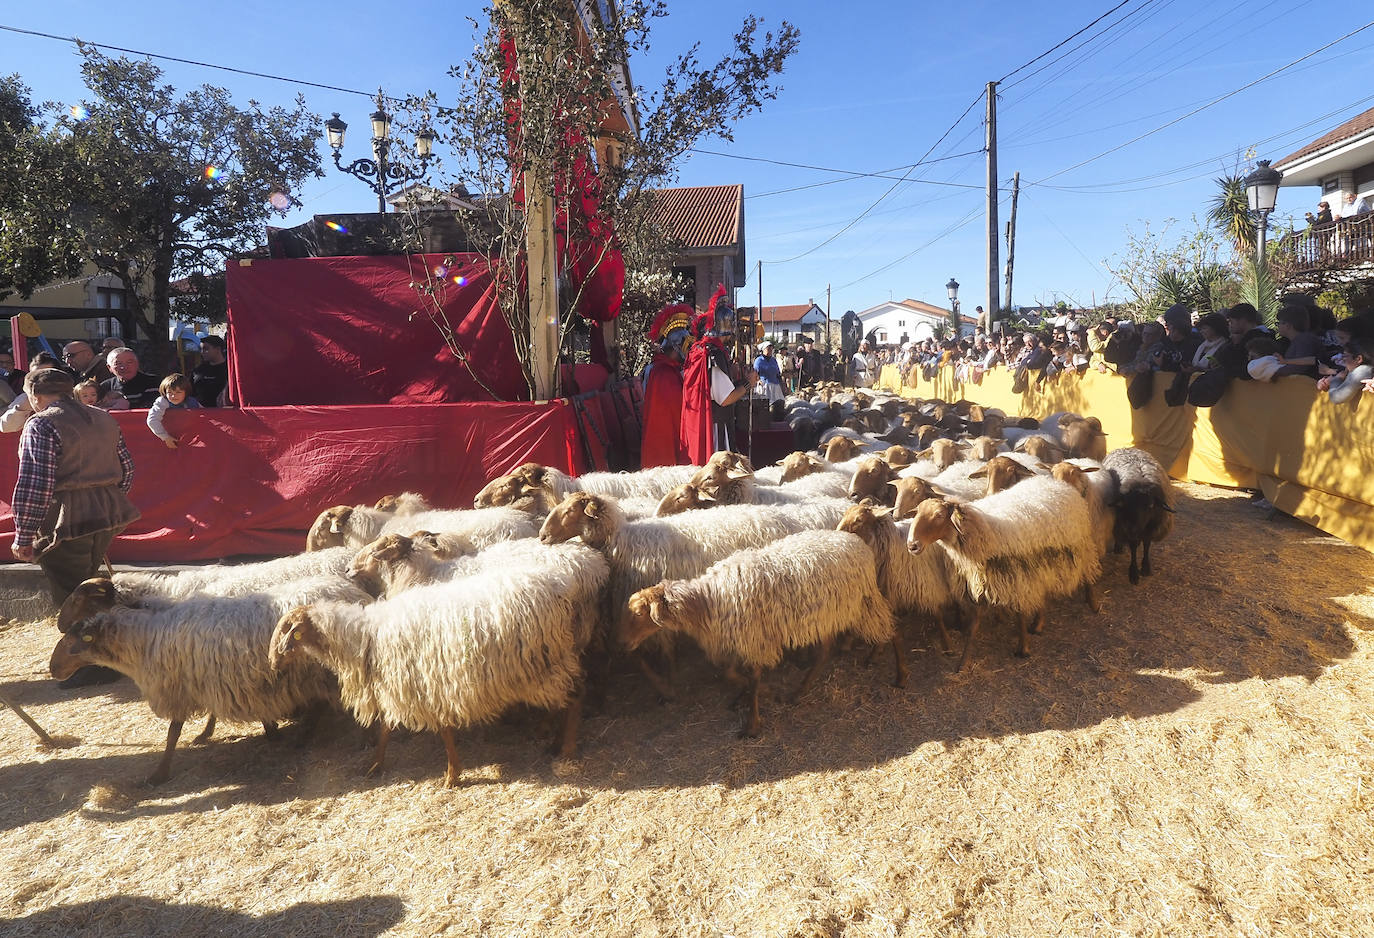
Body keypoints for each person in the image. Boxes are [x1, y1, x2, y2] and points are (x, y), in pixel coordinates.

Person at [11, 368, 140, 687]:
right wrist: (107, 501)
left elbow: (34, 483)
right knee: (90, 586)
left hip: (66, 518)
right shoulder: (103, 417)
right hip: (108, 511)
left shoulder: (41, 423)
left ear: (34, 396)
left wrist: (24, 534)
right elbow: (127, 470)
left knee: (73, 594)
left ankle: (96, 663)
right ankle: (112, 653)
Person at [681, 285, 755, 463]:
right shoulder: (713, 353)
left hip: (711, 421)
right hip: (716, 428)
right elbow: (725, 398)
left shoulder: (702, 348)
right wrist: (748, 384)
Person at [639, 303, 692, 468]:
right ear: (676, 347)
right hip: (662, 449)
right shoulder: (663, 374)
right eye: (686, 346)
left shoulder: (671, 371)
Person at [146, 373, 203, 449]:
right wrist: (165, 437)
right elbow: (152, 420)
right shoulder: (163, 401)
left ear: (186, 392)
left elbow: (206, 416)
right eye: (170, 392)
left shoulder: (191, 402)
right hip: (169, 441)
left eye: (178, 392)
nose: (173, 396)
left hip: (190, 441)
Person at [1273, 306, 1320, 378]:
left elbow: (1299, 367)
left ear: (1288, 325)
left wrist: (1273, 372)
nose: (1278, 326)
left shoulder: (1304, 341)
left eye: (1279, 323)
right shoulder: (1300, 340)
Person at [192, 335, 229, 407]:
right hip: (200, 412)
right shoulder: (198, 370)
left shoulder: (229, 370)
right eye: (201, 349)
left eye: (206, 349)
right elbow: (190, 392)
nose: (202, 352)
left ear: (218, 349)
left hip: (224, 412)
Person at [753, 341, 784, 415]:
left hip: (775, 386)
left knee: (778, 403)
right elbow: (755, 373)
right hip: (764, 386)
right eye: (768, 348)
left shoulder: (773, 360)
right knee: (765, 405)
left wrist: (782, 384)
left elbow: (778, 373)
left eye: (771, 349)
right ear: (763, 349)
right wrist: (758, 380)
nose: (770, 350)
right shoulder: (759, 360)